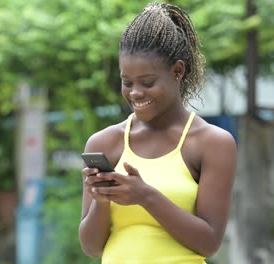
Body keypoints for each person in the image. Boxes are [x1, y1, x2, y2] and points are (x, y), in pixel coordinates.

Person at [78, 2, 237, 264]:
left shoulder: (212, 143)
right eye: (127, 82)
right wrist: (102, 199)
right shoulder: (105, 142)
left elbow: (209, 242)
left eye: (148, 82)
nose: (135, 93)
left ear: (177, 71)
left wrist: (145, 196)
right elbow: (92, 247)